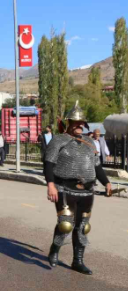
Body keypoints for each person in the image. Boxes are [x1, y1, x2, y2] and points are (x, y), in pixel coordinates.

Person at [45, 102, 112, 275]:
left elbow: (97, 167)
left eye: (81, 122)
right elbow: (48, 164)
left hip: (87, 191)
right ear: (68, 123)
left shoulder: (90, 143)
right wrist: (50, 184)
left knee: (83, 227)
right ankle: (54, 249)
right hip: (63, 188)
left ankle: (78, 261)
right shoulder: (58, 140)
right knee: (66, 224)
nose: (79, 125)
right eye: (75, 122)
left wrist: (107, 182)